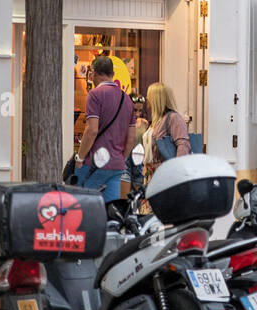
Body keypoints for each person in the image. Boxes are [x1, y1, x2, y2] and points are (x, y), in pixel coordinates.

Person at [76, 55, 138, 203]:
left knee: (85, 208)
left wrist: (80, 158)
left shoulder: (94, 95)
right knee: (110, 210)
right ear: (112, 74)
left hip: (94, 164)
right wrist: (120, 157)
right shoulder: (126, 99)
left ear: (94, 73)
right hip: (116, 166)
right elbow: (131, 137)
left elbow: (92, 130)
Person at [141, 83, 191, 183]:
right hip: (152, 175)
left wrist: (176, 171)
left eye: (149, 96)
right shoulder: (156, 121)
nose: (147, 99)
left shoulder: (173, 118)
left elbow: (183, 145)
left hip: (165, 176)